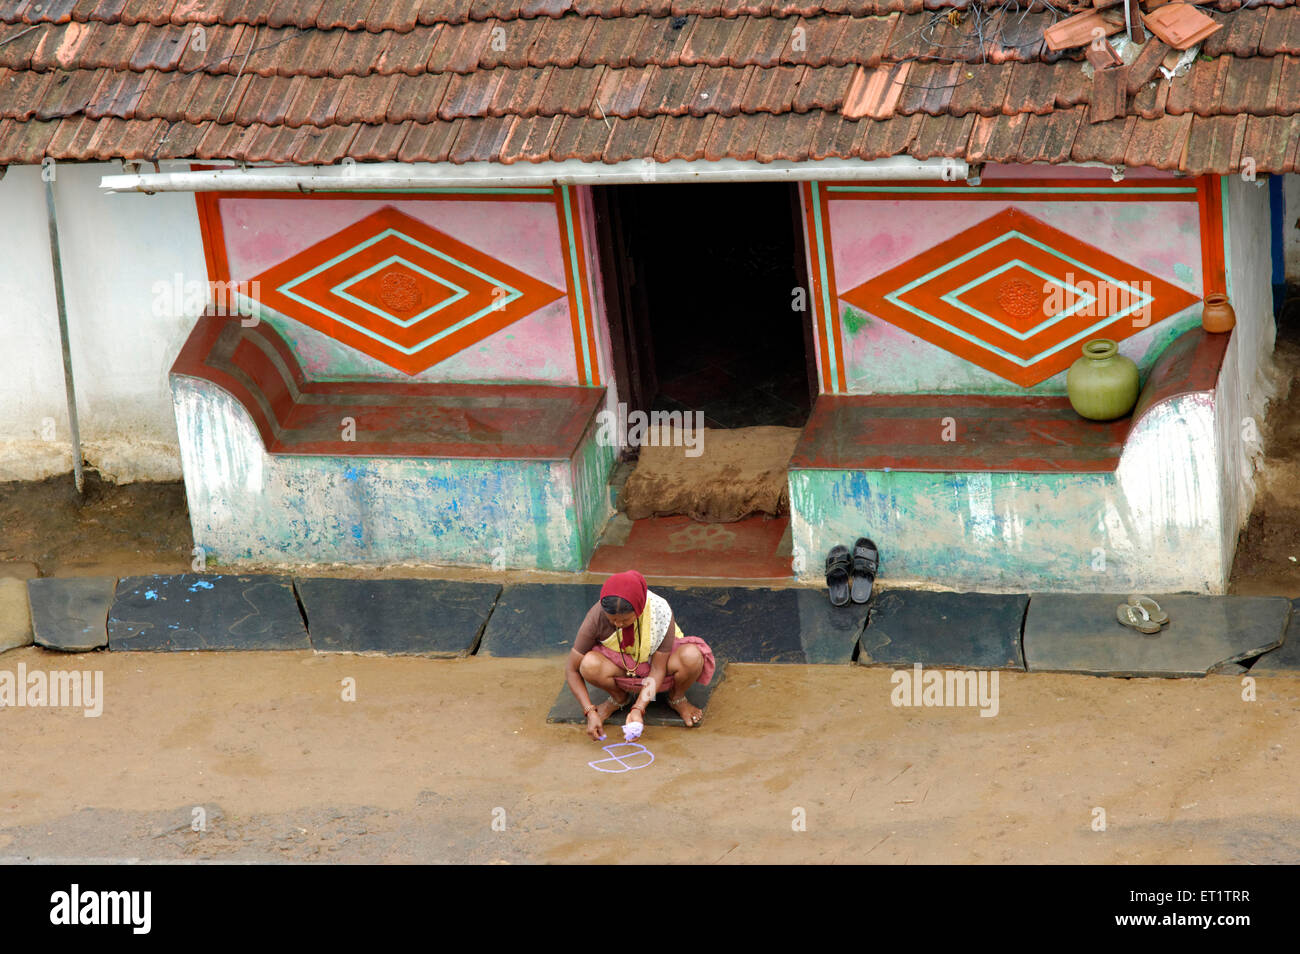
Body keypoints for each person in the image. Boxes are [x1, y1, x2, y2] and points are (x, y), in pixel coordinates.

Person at [566, 570, 716, 741]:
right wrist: (589, 711)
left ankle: (676, 697)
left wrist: (638, 709)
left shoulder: (659, 611)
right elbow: (571, 670)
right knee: (588, 664)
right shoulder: (596, 617)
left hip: (657, 665)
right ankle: (619, 698)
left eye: (625, 620)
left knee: (692, 656)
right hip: (621, 665)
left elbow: (658, 669)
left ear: (639, 609)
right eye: (613, 620)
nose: (619, 624)